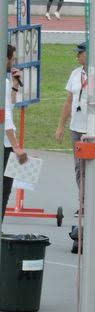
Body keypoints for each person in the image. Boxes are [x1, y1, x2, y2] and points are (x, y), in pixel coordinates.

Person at [54, 42, 88, 209]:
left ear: (88, 54)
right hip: (76, 129)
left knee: (94, 168)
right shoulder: (75, 74)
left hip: (94, 131)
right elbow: (68, 102)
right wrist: (61, 126)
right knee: (79, 167)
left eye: (79, 53)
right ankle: (83, 203)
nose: (77, 56)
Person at [3, 45, 27, 222]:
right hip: (5, 144)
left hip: (6, 142)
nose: (13, 62)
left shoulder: (5, 82)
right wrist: (16, 147)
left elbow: (9, 105)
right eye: (12, 59)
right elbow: (5, 116)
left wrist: (15, 86)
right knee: (4, 189)